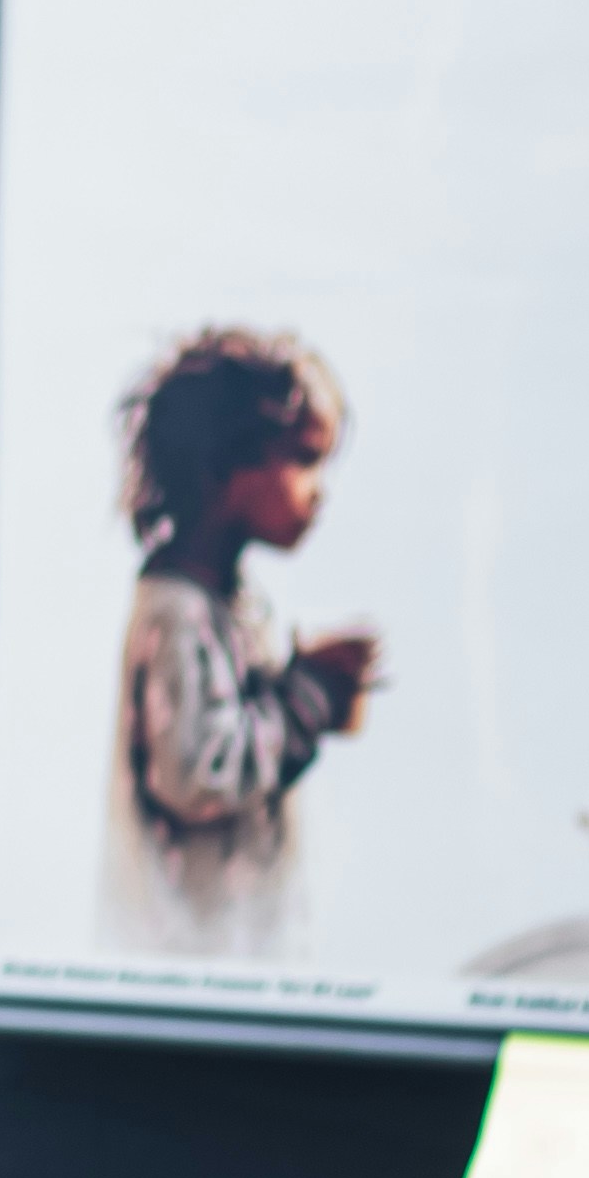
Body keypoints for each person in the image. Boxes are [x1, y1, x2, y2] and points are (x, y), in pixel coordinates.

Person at [97, 325, 376, 957]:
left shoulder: (234, 602)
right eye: (303, 461)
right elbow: (198, 774)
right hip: (188, 954)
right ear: (223, 465)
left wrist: (302, 683)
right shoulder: (175, 612)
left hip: (242, 939)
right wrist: (306, 700)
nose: (319, 492)